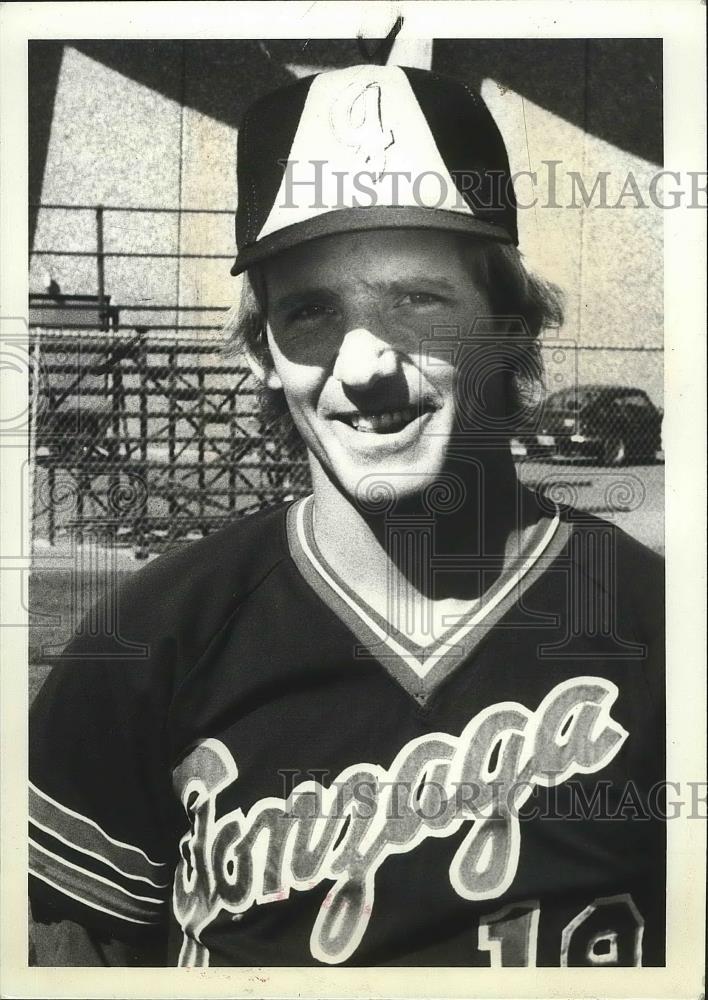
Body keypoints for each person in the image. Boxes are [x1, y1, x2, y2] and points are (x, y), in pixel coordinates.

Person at [29, 61, 665, 968]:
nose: (364, 365)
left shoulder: (659, 627)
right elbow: (61, 952)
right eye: (312, 312)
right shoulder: (151, 636)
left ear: (510, 326)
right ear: (263, 354)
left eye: (416, 298)